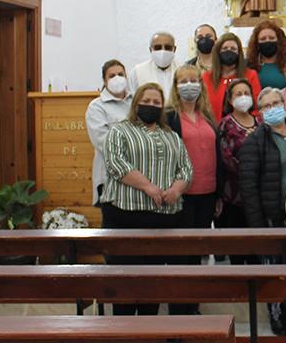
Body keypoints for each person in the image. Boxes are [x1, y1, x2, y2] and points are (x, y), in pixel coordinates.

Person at [100, 83, 193, 316]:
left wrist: (176, 190)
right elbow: (116, 164)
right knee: (126, 285)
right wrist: (149, 187)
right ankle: (124, 332)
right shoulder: (119, 131)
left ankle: (148, 329)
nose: (151, 106)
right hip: (125, 218)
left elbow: (186, 169)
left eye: (156, 103)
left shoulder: (171, 135)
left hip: (163, 221)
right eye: (146, 101)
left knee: (153, 284)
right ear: (136, 103)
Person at [239, 87, 286, 335]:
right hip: (272, 215)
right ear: (259, 112)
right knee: (274, 270)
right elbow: (248, 187)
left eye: (276, 103)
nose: (273, 108)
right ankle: (279, 318)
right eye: (267, 105)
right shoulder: (254, 142)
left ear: (285, 104)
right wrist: (258, 226)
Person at [165, 64, 222, 316]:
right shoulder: (169, 117)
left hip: (207, 194)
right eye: (183, 80)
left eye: (194, 79)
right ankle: (179, 311)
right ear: (176, 86)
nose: (190, 84)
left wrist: (219, 193)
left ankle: (193, 307)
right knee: (180, 256)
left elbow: (215, 155)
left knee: (198, 254)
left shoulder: (207, 116)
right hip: (182, 195)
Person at [216, 78, 261, 265]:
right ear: (229, 99)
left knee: (256, 247)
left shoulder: (261, 122)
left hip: (258, 194)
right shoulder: (225, 124)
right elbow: (225, 157)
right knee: (237, 245)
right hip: (234, 194)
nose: (243, 97)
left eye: (247, 93)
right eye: (238, 94)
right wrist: (247, 174)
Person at [86, 60, 133, 205]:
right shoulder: (96, 107)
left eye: (120, 74)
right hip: (109, 177)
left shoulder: (136, 101)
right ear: (104, 81)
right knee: (112, 223)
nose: (117, 78)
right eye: (112, 76)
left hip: (139, 175)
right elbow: (103, 142)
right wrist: (136, 148)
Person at [204, 33, 262, 122]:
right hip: (214, 129)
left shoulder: (250, 75)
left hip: (246, 129)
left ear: (239, 53)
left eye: (233, 49)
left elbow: (257, 106)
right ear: (218, 52)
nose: (229, 51)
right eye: (225, 48)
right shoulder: (207, 77)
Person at [128, 31, 178, 98]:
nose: (163, 51)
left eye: (167, 47)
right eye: (158, 47)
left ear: (174, 49)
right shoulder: (137, 72)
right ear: (150, 49)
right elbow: (132, 100)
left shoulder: (182, 70)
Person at [247, 19, 286, 90]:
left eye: (271, 38)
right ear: (257, 44)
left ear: (279, 41)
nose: (267, 41)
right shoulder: (249, 66)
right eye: (263, 39)